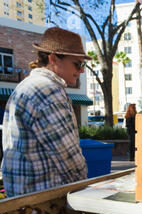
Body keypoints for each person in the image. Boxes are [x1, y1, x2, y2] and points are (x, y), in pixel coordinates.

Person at [2, 27, 89, 197]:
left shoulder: (26, 86)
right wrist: (85, 187)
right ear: (53, 59)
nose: (82, 70)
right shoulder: (47, 90)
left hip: (24, 204)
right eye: (78, 64)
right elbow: (70, 160)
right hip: (45, 205)